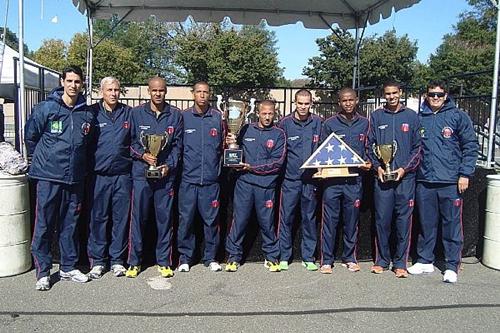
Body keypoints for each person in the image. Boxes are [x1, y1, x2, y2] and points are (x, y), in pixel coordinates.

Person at [25, 65, 95, 291]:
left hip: (74, 179)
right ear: (62, 82)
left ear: (82, 84)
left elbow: (88, 144)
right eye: (70, 81)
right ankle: (43, 272)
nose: (73, 85)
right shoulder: (46, 108)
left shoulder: (87, 112)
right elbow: (31, 137)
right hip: (48, 177)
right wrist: (43, 161)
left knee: (70, 225)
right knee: (44, 225)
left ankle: (68, 266)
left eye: (77, 82)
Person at [408, 80, 478, 283]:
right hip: (425, 180)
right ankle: (425, 260)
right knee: (426, 224)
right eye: (432, 94)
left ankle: (451, 266)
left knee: (451, 224)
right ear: (426, 96)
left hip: (450, 181)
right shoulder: (420, 118)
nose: (435, 98)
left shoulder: (458, 116)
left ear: (446, 95)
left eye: (439, 95)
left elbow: (470, 146)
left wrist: (465, 174)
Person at [126, 76, 183, 278]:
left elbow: (177, 145)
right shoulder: (136, 114)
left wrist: (170, 165)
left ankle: (164, 261)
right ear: (149, 91)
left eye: (161, 90)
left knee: (165, 220)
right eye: (154, 91)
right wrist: (142, 155)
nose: (158, 94)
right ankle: (134, 261)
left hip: (165, 177)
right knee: (138, 219)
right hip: (141, 175)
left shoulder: (175, 115)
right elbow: (129, 143)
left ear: (165, 91)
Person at [366, 80, 421, 278]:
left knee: (403, 221)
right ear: (384, 95)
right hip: (382, 179)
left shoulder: (411, 117)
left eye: (394, 93)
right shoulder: (376, 116)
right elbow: (369, 146)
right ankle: (382, 260)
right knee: (382, 220)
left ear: (400, 92)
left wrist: (405, 169)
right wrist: (377, 167)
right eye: (388, 94)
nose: (391, 97)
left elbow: (418, 148)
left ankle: (400, 263)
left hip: (405, 179)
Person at [225, 100, 286, 272]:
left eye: (270, 113)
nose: (267, 117)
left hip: (265, 186)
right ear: (258, 113)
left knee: (267, 223)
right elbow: (235, 151)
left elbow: (277, 163)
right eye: (264, 113)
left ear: (275, 114)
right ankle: (233, 257)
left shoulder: (279, 134)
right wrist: (230, 141)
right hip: (244, 184)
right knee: (240, 221)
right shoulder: (245, 129)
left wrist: (251, 167)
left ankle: (271, 257)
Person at [319, 88, 371, 274]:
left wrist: (368, 162)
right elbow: (321, 151)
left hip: (354, 181)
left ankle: (350, 258)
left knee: (351, 221)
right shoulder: (329, 124)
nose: (348, 103)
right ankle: (327, 260)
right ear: (338, 102)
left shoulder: (365, 123)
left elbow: (369, 148)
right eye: (344, 100)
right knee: (330, 221)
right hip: (332, 182)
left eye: (351, 100)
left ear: (356, 100)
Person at [177, 81, 226, 272]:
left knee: (211, 222)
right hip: (188, 180)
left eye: (206, 92)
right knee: (186, 221)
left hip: (211, 181)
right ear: (193, 94)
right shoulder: (183, 117)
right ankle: (185, 258)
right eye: (199, 92)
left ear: (209, 94)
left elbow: (224, 146)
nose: (202, 95)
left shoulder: (218, 118)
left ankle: (211, 257)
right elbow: (178, 148)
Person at [87, 77, 132, 279]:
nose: (113, 93)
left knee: (120, 220)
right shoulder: (92, 113)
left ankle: (117, 261)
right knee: (99, 219)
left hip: (123, 176)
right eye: (109, 90)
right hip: (99, 177)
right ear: (101, 92)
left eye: (116, 90)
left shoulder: (128, 113)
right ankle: (98, 261)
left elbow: (136, 142)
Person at [277, 89, 322, 271]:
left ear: (311, 103)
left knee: (309, 219)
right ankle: (284, 257)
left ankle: (308, 257)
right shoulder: (284, 123)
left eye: (306, 103)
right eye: (300, 103)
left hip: (311, 181)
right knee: (286, 219)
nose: (303, 107)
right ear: (295, 103)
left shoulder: (318, 122)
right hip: (290, 181)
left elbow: (324, 148)